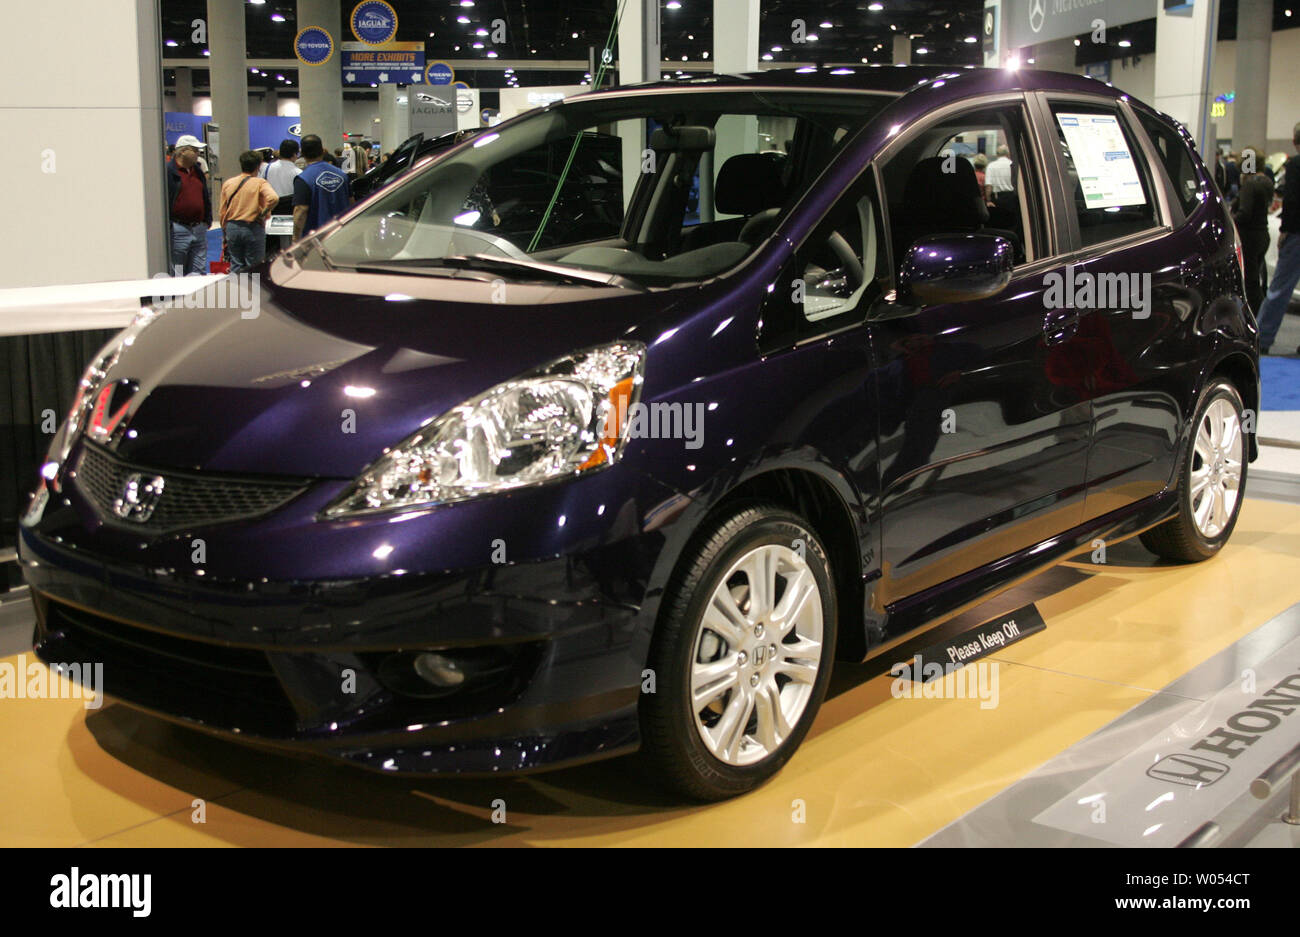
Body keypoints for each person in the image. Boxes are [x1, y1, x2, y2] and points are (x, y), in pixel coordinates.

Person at [1256, 123, 1300, 355]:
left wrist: (1285, 230)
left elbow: (1292, 200)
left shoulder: (1294, 165)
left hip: (1297, 234)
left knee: (1280, 289)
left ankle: (1263, 338)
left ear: (1294, 142)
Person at [219, 150, 279, 272]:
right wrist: (262, 214)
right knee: (254, 267)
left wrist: (225, 230)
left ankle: (238, 290)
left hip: (232, 227)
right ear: (258, 166)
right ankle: (254, 291)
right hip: (252, 227)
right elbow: (273, 198)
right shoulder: (260, 183)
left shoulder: (228, 183)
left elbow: (222, 211)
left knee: (235, 264)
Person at [1233, 146, 1274, 315]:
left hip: (1249, 236)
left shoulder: (1249, 185)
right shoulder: (1267, 182)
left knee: (1250, 282)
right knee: (1257, 279)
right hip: (1263, 233)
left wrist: (1230, 221)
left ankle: (1256, 316)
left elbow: (1245, 213)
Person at [165, 134, 212, 275]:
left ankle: (195, 297)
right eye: (195, 150)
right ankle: (178, 297)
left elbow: (205, 197)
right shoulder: (168, 172)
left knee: (199, 270)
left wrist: (206, 221)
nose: (198, 153)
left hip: (199, 228)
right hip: (178, 229)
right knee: (178, 271)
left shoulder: (198, 171)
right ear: (183, 151)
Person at [293, 133, 351, 239]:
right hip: (342, 235)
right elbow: (352, 202)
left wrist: (295, 239)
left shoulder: (303, 179)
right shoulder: (342, 175)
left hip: (316, 240)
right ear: (323, 150)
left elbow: (300, 211)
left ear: (302, 153)